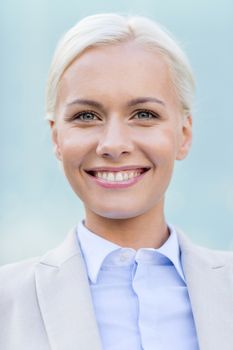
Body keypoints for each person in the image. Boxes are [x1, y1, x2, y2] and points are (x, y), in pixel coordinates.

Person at [0, 13, 232, 350]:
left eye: (144, 115)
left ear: (184, 134)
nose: (113, 144)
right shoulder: (7, 303)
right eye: (86, 116)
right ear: (56, 138)